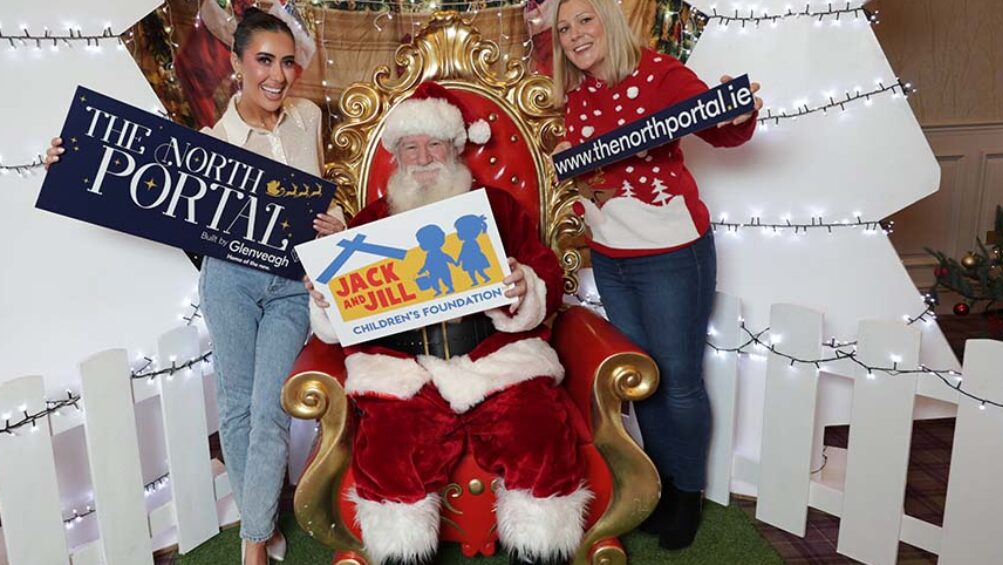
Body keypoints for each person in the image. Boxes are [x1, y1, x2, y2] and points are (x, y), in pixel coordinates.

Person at [45, 8, 344, 565]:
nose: (276, 75)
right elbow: (129, 178)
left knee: (269, 406)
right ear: (236, 63)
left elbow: (321, 201)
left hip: (288, 286)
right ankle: (262, 528)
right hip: (230, 281)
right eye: (263, 61)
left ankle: (251, 541)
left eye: (286, 62)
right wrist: (69, 161)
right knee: (234, 406)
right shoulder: (212, 143)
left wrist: (336, 222)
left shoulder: (308, 118)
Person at [306, 82, 589, 565]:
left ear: (456, 147)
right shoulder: (369, 222)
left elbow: (543, 270)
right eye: (410, 146)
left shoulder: (496, 207)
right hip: (405, 365)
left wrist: (525, 285)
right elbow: (340, 318)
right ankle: (402, 556)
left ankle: (541, 550)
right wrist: (327, 296)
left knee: (537, 431)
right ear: (395, 156)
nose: (422, 157)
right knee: (391, 451)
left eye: (434, 144)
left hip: (493, 358)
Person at [550, 0, 762, 550]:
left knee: (681, 381)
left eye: (585, 21)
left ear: (609, 21)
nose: (575, 36)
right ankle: (664, 485)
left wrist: (735, 115)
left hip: (671, 253)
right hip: (612, 257)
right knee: (644, 380)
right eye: (565, 28)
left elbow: (718, 128)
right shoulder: (576, 95)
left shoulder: (659, 74)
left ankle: (687, 494)